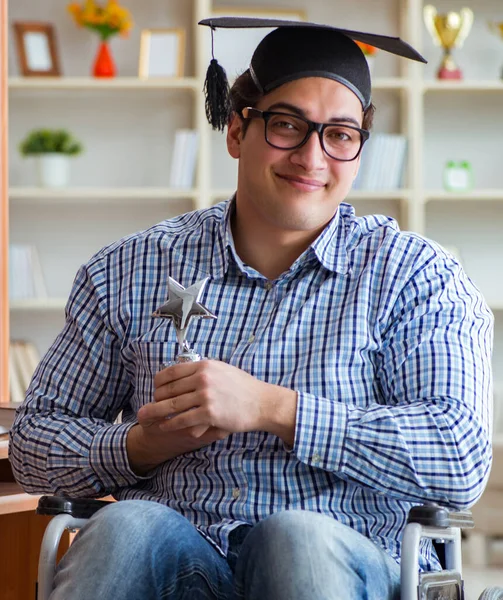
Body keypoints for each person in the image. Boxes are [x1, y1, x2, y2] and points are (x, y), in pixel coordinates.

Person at [9, 17, 493, 600]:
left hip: (344, 563)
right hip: (176, 553)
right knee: (125, 528)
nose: (313, 157)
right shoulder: (126, 271)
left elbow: (460, 457)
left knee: (297, 540)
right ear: (238, 130)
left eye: (340, 134)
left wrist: (275, 409)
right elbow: (35, 442)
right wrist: (139, 446)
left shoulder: (415, 275)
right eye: (287, 125)